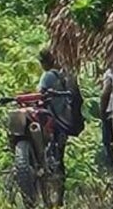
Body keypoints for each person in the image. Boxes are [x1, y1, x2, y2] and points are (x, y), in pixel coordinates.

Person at [35, 46, 77, 193]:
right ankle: (60, 196)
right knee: (60, 159)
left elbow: (39, 95)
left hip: (51, 121)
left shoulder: (48, 76)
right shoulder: (65, 75)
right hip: (64, 121)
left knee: (45, 153)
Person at [99, 65, 113, 173]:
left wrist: (102, 112)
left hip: (111, 113)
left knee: (108, 142)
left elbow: (105, 93)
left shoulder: (110, 73)